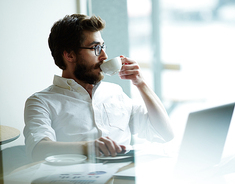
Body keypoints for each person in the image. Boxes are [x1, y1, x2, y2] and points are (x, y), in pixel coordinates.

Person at [23, 14, 174, 161]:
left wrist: (141, 83)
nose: (104, 56)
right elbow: (38, 149)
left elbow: (165, 134)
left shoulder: (115, 93)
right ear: (69, 55)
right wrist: (88, 148)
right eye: (95, 48)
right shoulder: (41, 102)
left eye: (103, 47)